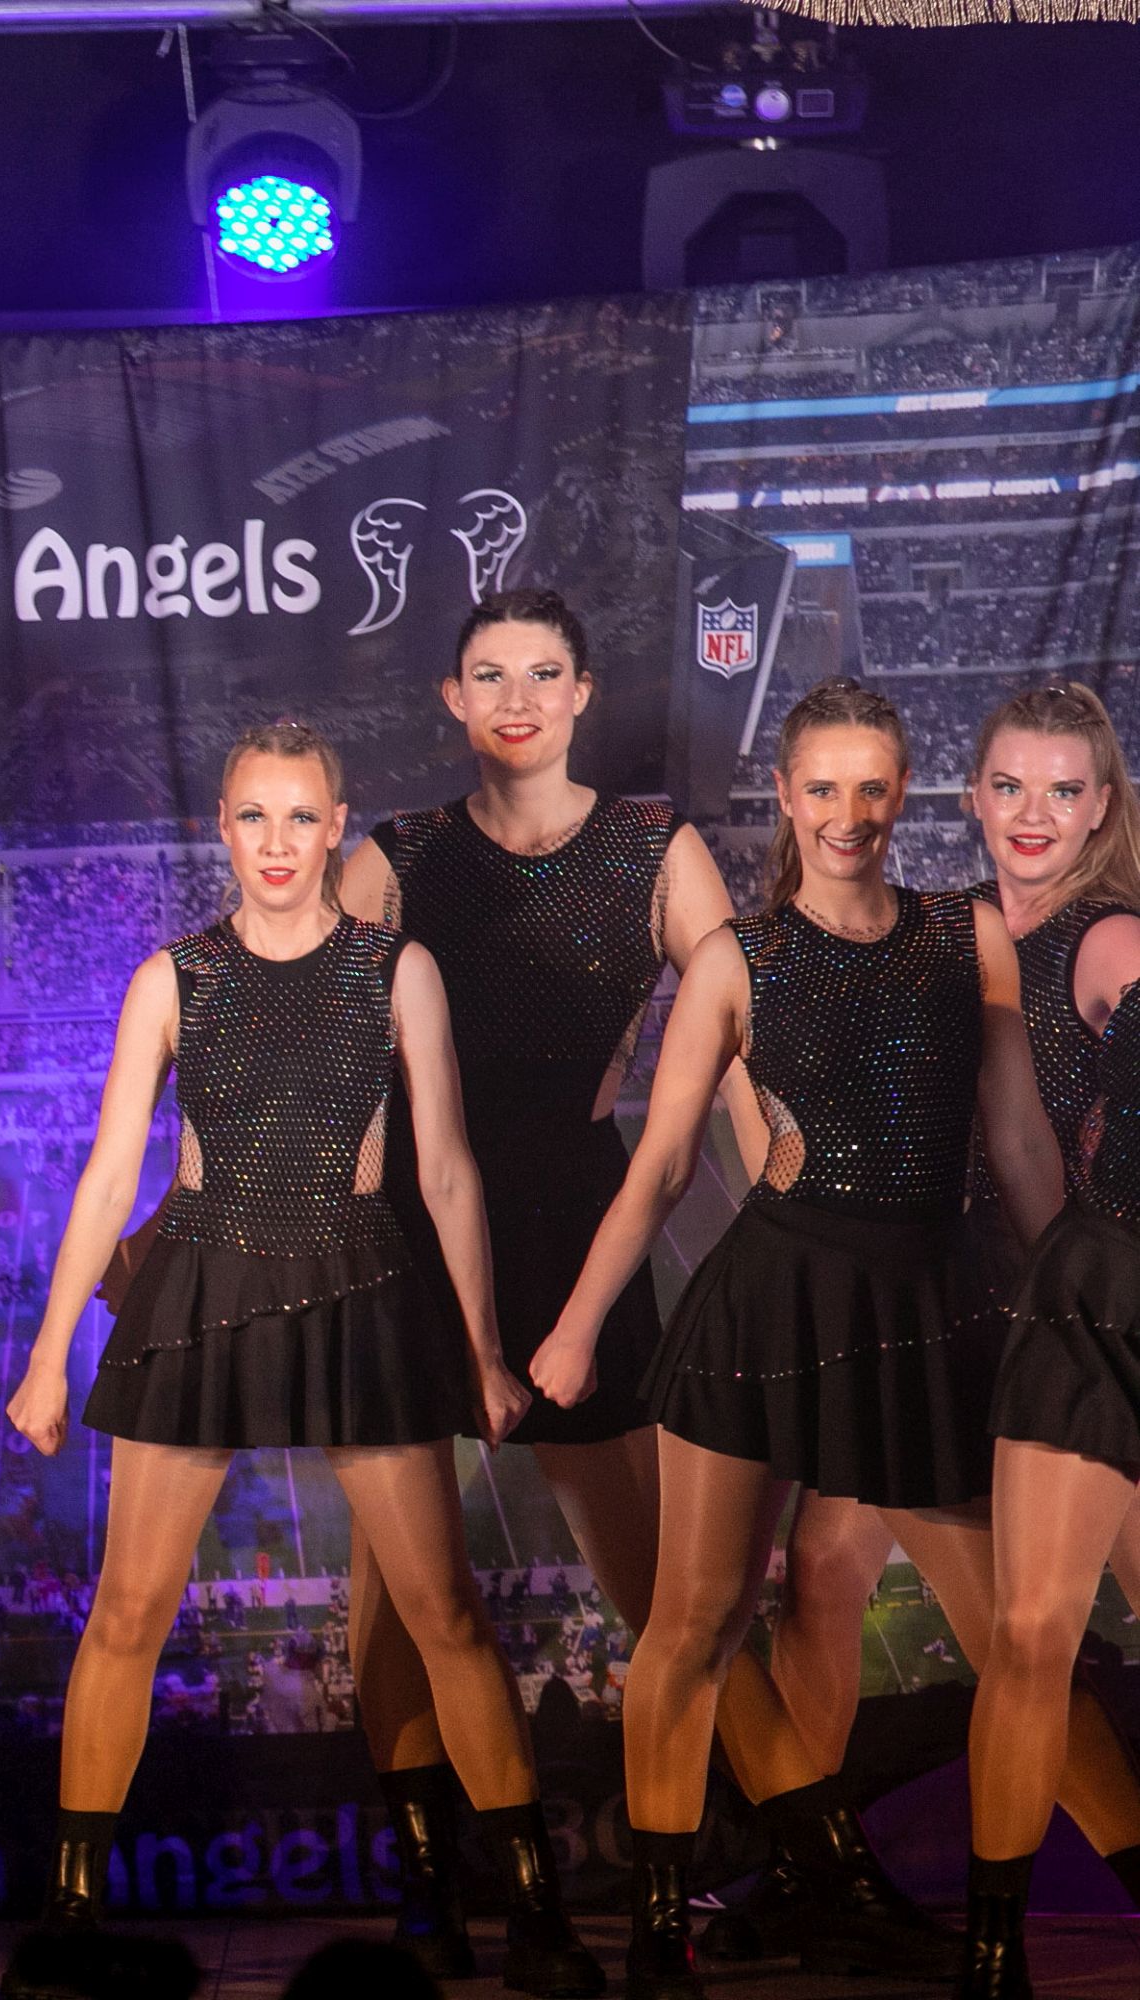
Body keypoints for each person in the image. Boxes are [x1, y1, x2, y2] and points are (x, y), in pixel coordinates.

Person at [529, 677, 1140, 2000]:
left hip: (920, 1314)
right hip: (771, 1306)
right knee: (694, 1624)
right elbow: (663, 1162)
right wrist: (576, 1327)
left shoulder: (966, 934)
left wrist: (1073, 1308)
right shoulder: (733, 957)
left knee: (1015, 1635)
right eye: (822, 788)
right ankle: (660, 1930)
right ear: (786, 796)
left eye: (871, 787)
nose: (848, 813)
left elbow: (1024, 1147)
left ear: (904, 793)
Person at [2, 720, 601, 2000]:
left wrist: (486, 1350)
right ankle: (69, 1919)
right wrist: (49, 1353)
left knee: (444, 1613)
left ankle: (535, 1910)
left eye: (298, 816)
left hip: (358, 1285)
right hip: (201, 1286)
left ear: (336, 826)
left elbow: (447, 1171)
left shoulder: (398, 968)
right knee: (126, 1613)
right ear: (219, 828)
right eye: (251, 816)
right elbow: (109, 1175)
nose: (275, 841)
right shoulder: (171, 976)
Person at [337, 592, 849, 1971]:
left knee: (665, 1588)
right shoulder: (393, 858)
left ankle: (820, 1859)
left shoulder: (650, 848)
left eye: (543, 672)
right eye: (490, 673)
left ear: (581, 692)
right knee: (394, 1580)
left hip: (577, 1216)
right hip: (408, 1224)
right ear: (453, 698)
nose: (517, 697)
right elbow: (302, 1042)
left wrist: (788, 1187)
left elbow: (740, 1032)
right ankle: (431, 1884)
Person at [957, 681, 1140, 1998]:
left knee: (1028, 1634)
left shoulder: (1109, 935)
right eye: (1013, 785)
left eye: (1064, 789)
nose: (1035, 813)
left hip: (1097, 1298)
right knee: (1026, 1635)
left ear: (1103, 806)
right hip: (1006, 1308)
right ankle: (990, 1955)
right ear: (974, 796)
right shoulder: (949, 931)